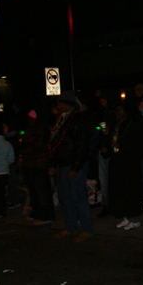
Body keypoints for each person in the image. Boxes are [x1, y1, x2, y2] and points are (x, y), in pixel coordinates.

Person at [49, 91, 95, 242]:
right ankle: (71, 227)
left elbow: (81, 145)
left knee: (78, 197)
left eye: (59, 103)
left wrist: (75, 167)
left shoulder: (78, 119)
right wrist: (54, 164)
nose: (57, 106)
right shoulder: (61, 120)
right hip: (63, 163)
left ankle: (87, 229)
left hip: (73, 164)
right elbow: (55, 145)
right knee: (65, 197)